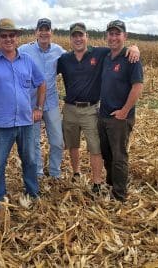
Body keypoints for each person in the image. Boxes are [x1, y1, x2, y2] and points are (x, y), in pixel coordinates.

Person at [0, 18, 46, 222]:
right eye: (3, 35)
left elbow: (41, 84)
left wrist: (38, 108)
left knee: (31, 160)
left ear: (17, 38)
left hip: (26, 122)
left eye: (11, 35)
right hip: (1, 124)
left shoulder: (27, 61)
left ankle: (33, 194)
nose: (8, 39)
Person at [57, 22, 139, 193]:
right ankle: (76, 172)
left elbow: (119, 48)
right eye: (74, 36)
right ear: (70, 39)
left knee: (95, 146)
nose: (78, 39)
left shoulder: (100, 53)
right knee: (73, 144)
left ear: (87, 37)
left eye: (81, 35)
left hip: (90, 109)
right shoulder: (64, 59)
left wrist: (134, 47)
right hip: (70, 108)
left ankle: (96, 182)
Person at [98, 20, 143, 202]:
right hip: (104, 115)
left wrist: (124, 111)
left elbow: (137, 87)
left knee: (119, 156)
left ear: (125, 36)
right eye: (111, 33)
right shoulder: (107, 57)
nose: (114, 37)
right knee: (107, 154)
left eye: (118, 34)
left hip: (120, 117)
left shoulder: (131, 58)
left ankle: (119, 195)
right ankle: (110, 185)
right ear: (106, 36)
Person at [18, 18, 64, 179]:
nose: (44, 32)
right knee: (34, 141)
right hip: (32, 104)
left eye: (47, 29)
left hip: (51, 102)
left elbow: (79, 56)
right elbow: (8, 55)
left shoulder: (59, 51)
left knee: (58, 141)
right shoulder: (24, 50)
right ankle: (37, 173)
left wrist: (133, 48)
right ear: (35, 32)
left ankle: (55, 172)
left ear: (52, 32)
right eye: (41, 29)